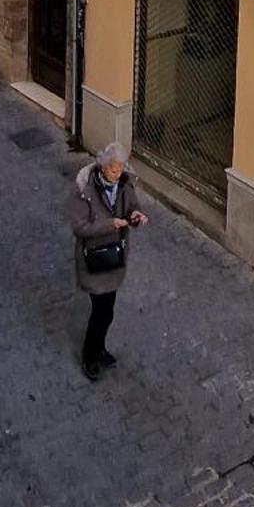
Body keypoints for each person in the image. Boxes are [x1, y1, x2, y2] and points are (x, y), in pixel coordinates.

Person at [67, 141, 147, 380]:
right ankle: (89, 356)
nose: (118, 173)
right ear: (103, 167)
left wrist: (135, 215)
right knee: (101, 312)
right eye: (114, 169)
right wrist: (109, 224)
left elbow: (132, 205)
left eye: (121, 168)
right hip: (95, 260)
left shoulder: (123, 183)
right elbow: (80, 226)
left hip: (113, 258)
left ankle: (99, 349)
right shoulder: (85, 190)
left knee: (107, 311)